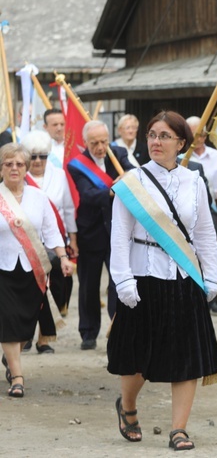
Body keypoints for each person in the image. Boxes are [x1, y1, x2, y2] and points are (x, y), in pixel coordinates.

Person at [108, 110, 217, 451]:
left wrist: (211, 275)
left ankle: (179, 429)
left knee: (186, 357)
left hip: (184, 277)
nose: (156, 142)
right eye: (152, 135)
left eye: (164, 136)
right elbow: (119, 236)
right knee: (138, 356)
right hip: (144, 277)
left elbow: (204, 232)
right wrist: (122, 281)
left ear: (181, 143)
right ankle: (127, 407)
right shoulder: (133, 182)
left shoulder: (195, 181)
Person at [0, 143, 74, 397]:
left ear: (27, 168)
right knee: (7, 319)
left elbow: (52, 233)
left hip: (33, 269)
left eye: (19, 164)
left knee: (25, 322)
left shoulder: (39, 198)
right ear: (1, 168)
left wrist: (63, 257)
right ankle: (18, 377)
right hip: (2, 268)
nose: (14, 168)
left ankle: (11, 358)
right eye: (8, 164)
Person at [67, 121, 133, 350]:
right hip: (90, 231)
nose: (100, 147)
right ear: (85, 143)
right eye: (94, 143)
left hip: (117, 229)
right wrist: (114, 190)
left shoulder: (119, 154)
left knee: (118, 282)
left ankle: (118, 326)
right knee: (88, 285)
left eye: (104, 141)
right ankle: (88, 332)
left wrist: (126, 179)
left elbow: (134, 174)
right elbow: (88, 195)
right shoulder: (76, 165)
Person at [20, 130, 78, 353]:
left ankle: (45, 338)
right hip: (25, 243)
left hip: (54, 243)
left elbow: (69, 209)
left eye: (42, 156)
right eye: (32, 156)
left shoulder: (60, 175)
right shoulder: (20, 177)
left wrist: (73, 239)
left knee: (51, 291)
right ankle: (24, 335)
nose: (37, 161)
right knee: (27, 292)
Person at [186, 116, 217, 314]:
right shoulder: (182, 156)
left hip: (210, 211)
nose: (200, 138)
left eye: (203, 134)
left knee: (212, 253)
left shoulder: (215, 156)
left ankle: (213, 298)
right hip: (186, 213)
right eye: (196, 134)